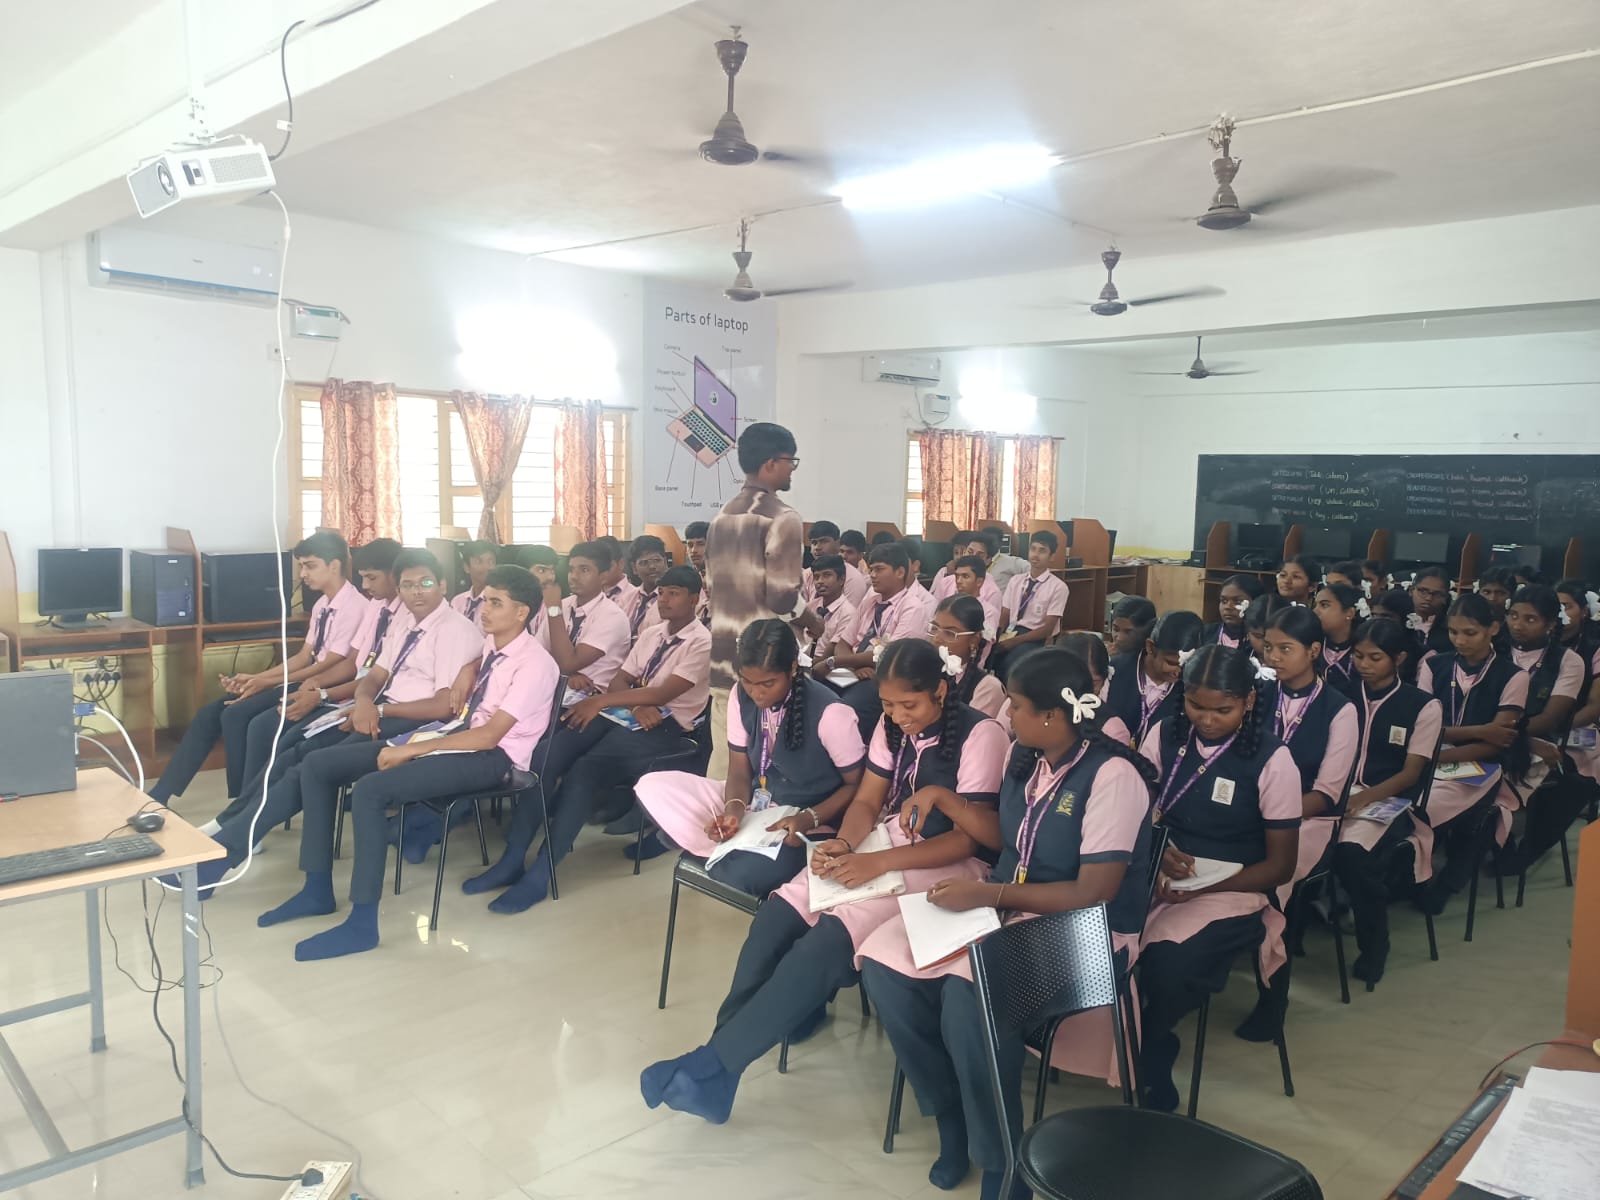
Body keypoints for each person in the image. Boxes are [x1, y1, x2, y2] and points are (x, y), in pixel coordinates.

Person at [639, 638, 1008, 1126]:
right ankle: (717, 1066)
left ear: (941, 691)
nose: (897, 716)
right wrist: (847, 845)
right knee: (777, 916)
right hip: (885, 844)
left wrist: (875, 864)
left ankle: (713, 1068)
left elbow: (971, 840)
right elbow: (866, 801)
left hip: (946, 867)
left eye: (909, 704)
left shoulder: (981, 736)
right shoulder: (891, 725)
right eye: (888, 705)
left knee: (827, 942)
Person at [858, 649, 1156, 1199]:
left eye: (1015, 707)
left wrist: (988, 892)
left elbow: (1096, 891)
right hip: (1009, 911)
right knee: (883, 965)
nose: (1006, 716)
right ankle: (952, 1119)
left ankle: (1003, 1159)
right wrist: (946, 798)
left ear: (1052, 715)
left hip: (1087, 931)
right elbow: (1003, 839)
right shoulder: (1028, 756)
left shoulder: (1112, 775)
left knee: (966, 1000)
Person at [259, 566, 561, 960]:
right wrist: (467, 671)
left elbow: (489, 736)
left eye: (495, 603)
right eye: (484, 599)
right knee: (319, 765)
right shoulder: (495, 646)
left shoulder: (536, 664)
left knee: (370, 789)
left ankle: (362, 923)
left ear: (522, 613)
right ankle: (316, 889)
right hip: (455, 736)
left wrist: (412, 749)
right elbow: (476, 684)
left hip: (492, 758)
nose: (483, 609)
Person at [178, 549, 483, 892]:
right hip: (378, 710)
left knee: (315, 765)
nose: (416, 592)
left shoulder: (454, 630)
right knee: (296, 752)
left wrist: (377, 710)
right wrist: (365, 701)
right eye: (407, 585)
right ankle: (231, 825)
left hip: (415, 725)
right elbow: (377, 673)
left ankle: (225, 856)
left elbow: (444, 707)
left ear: (442, 584)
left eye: (425, 583)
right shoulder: (404, 621)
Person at [471, 567, 712, 913]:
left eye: (674, 593)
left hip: (668, 726)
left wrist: (611, 700)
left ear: (695, 598)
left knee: (585, 769)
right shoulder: (652, 632)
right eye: (661, 593)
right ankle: (512, 857)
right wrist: (635, 701)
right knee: (548, 755)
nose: (664, 600)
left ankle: (543, 871)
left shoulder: (703, 643)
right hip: (629, 712)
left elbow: (666, 692)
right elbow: (619, 680)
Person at [1136, 644, 1301, 1112]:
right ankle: (1108, 1042)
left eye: (1222, 709)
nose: (1206, 719)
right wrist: (1156, 850)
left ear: (1248, 701)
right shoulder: (1164, 736)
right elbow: (1136, 811)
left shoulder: (1272, 760)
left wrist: (1208, 886)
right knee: (1105, 943)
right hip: (1160, 872)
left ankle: (1152, 1048)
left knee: (1169, 966)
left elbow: (1280, 866)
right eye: (1195, 706)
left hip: (1236, 887)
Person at [633, 620, 866, 889]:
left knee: (743, 876)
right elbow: (740, 769)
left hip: (811, 818)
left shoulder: (831, 713)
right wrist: (733, 811)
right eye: (747, 681)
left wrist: (809, 818)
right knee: (652, 788)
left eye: (767, 683)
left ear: (792, 668)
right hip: (757, 804)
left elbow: (857, 785)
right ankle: (732, 844)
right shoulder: (739, 695)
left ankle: (724, 850)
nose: (756, 692)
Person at [149, 531, 365, 809]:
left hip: (320, 683)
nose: (302, 574)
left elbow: (329, 665)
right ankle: (162, 792)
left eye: (309, 565)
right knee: (210, 712)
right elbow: (302, 657)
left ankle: (242, 804)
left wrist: (266, 683)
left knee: (236, 714)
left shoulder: (355, 607)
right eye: (301, 565)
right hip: (303, 675)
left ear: (333, 566)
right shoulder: (323, 604)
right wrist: (257, 678)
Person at [1233, 606, 1358, 1041]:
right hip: (1250, 815)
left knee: (1270, 881)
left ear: (1314, 651)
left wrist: (1270, 815)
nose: (1275, 657)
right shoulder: (1257, 696)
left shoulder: (1340, 710)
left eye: (1287, 649)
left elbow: (1326, 793)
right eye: (1269, 648)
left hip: (1310, 821)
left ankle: (1274, 997)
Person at [225, 537, 405, 824]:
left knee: (290, 739)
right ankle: (242, 814)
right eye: (363, 578)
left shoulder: (398, 617)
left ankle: (248, 818)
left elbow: (373, 677)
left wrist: (321, 692)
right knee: (270, 731)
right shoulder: (374, 607)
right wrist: (316, 686)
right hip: (348, 690)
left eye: (372, 578)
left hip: (360, 698)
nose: (367, 587)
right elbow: (353, 663)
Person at [1331, 619, 1444, 987]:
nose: (1363, 664)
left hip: (1391, 800)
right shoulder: (1340, 693)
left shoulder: (1422, 706)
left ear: (1398, 658)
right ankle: (1301, 926)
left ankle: (1374, 945)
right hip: (1338, 792)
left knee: (1354, 856)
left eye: (1374, 657)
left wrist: (1363, 797)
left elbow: (1411, 774)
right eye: (1358, 655)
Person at [1414, 593, 1527, 914]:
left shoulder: (1513, 676)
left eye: (1470, 633)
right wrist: (1480, 729)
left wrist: (1434, 752)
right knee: (1404, 807)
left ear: (1493, 628)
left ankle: (1449, 881)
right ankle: (1410, 878)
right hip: (1430, 757)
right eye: (1453, 632)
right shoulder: (1434, 664)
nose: (1460, 640)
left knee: (1427, 810)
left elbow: (1496, 743)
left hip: (1480, 765)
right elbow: (1419, 727)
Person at [706, 422, 807, 780]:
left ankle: (713, 832)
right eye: (790, 461)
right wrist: (813, 621)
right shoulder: (783, 517)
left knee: (724, 764)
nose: (792, 468)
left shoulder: (721, 518)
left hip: (724, 659)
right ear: (771, 463)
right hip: (766, 665)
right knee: (770, 766)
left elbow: (711, 588)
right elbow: (782, 598)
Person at [819, 542, 936, 739]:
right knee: (816, 692)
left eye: (879, 569)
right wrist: (854, 668)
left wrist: (836, 662)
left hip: (882, 679)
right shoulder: (870, 602)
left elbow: (889, 657)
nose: (872, 575)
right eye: (871, 569)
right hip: (855, 673)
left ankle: (849, 759)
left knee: (846, 711)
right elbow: (843, 643)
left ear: (900, 572)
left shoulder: (912, 607)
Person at [1104, 610, 1204, 749]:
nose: (1178, 671)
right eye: (1171, 663)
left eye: (1187, 664)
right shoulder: (1112, 671)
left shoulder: (1191, 685)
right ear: (1150, 647)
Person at [990, 531, 1068, 679]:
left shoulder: (1058, 587)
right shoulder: (1016, 581)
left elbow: (1047, 629)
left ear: (1052, 557)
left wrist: (1014, 642)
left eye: (1042, 551)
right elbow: (1005, 613)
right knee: (986, 655)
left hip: (1034, 637)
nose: (1035, 555)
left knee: (1011, 664)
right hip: (1010, 631)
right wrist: (996, 635)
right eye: (1033, 549)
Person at [930, 595, 1005, 718]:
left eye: (949, 633)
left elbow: (974, 733)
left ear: (973, 640)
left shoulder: (987, 688)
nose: (936, 638)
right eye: (934, 628)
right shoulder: (921, 671)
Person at [1056, 631, 1134, 747]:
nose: (1078, 694)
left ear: (1105, 680)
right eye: (1070, 684)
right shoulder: (1039, 715)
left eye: (1092, 684)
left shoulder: (1113, 730)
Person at [794, 553, 857, 664]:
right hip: (802, 659)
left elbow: (833, 651)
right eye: (816, 577)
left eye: (827, 575)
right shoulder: (811, 606)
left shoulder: (848, 613)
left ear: (842, 579)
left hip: (827, 667)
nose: (820, 581)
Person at [1312, 581, 1369, 701]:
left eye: (1324, 605)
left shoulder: (1366, 648)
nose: (1315, 611)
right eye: (1315, 605)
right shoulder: (1311, 645)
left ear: (1349, 613)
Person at [805, 520, 869, 606]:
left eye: (824, 541)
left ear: (838, 543)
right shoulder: (806, 575)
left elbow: (850, 616)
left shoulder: (853, 578)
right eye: (814, 542)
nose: (817, 547)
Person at [939, 554, 1003, 638]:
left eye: (965, 576)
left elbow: (984, 647)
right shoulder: (948, 605)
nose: (958, 581)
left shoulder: (989, 612)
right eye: (957, 576)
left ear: (979, 582)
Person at [624, 535, 670, 640]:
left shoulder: (674, 598)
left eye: (657, 560)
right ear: (634, 568)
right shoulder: (626, 598)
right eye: (644, 562)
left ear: (665, 562)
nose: (652, 566)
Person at [1407, 566, 1454, 660]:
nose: (1428, 598)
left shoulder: (1451, 630)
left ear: (1445, 597)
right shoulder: (1399, 621)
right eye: (1423, 591)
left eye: (1437, 594)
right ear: (1411, 591)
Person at [450, 540, 500, 626]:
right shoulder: (457, 602)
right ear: (466, 567)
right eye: (479, 562)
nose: (487, 567)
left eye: (491, 562)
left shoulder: (499, 602)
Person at [1206, 574, 1262, 649]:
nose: (1228, 607)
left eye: (1238, 601)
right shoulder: (1206, 633)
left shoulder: (1260, 640)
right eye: (1224, 601)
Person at [968, 529, 1029, 597]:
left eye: (980, 555)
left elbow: (1031, 570)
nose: (973, 556)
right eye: (970, 552)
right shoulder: (964, 567)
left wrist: (1023, 589)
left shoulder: (1010, 562)